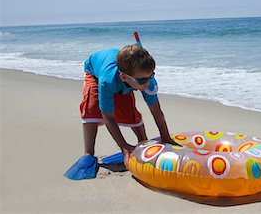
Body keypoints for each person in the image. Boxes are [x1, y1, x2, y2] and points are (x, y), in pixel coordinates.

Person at [64, 44, 177, 180]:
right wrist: (123, 146)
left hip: (126, 76)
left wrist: (165, 137)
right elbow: (108, 117)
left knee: (129, 111)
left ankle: (142, 141)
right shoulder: (107, 81)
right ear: (124, 77)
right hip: (95, 71)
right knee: (92, 109)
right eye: (143, 80)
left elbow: (156, 111)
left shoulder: (146, 79)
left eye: (151, 76)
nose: (147, 83)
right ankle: (88, 153)